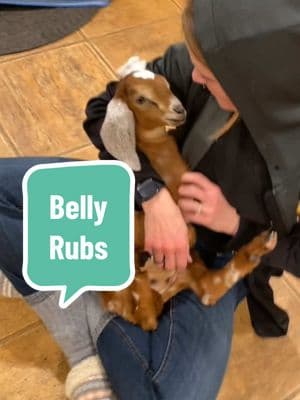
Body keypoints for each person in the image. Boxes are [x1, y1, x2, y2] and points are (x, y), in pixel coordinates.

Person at [1, 0, 300, 399]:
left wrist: (233, 223)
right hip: (135, 203)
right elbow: (104, 110)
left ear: (252, 81)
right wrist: (152, 195)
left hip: (214, 258)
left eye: (208, 76)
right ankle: (65, 280)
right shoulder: (194, 65)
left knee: (168, 392)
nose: (194, 76)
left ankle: (60, 288)